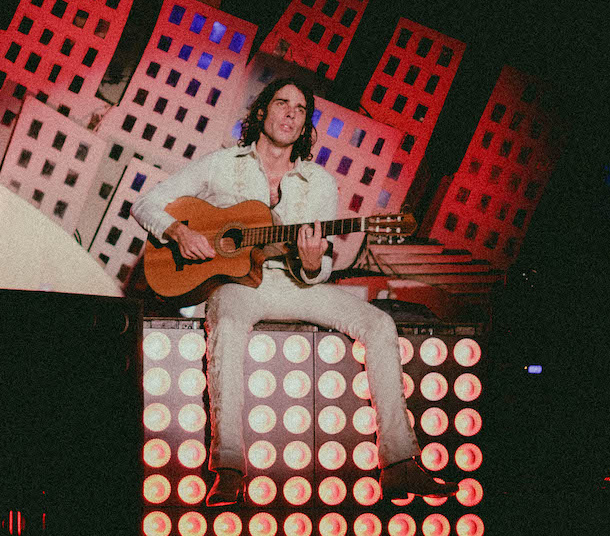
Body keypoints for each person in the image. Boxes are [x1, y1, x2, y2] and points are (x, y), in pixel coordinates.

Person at [132, 77, 458, 506]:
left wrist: (311, 261)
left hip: (295, 285)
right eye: (281, 103)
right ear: (261, 112)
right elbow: (145, 204)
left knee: (379, 324)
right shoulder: (221, 164)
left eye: (300, 109)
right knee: (227, 321)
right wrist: (179, 231)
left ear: (305, 125)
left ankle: (399, 463)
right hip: (240, 285)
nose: (290, 113)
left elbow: (318, 270)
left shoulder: (319, 183)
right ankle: (228, 467)